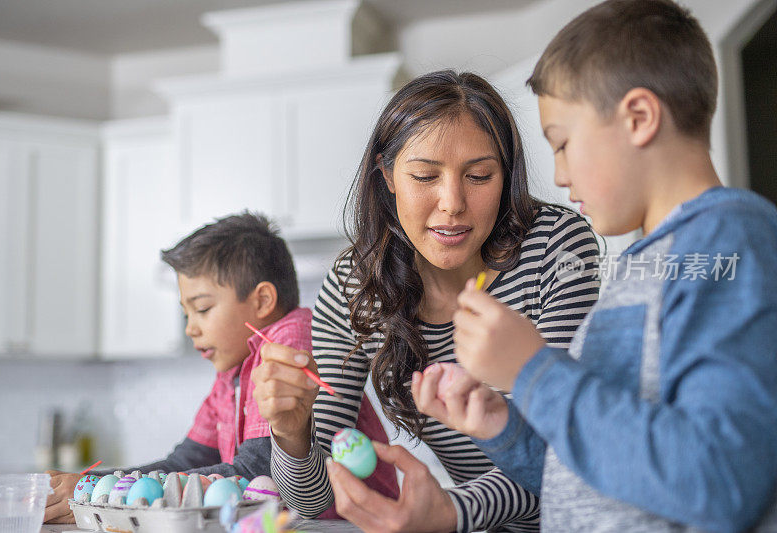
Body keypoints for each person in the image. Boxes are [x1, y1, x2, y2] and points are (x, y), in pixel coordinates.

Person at [414, 1, 777, 531]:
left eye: (562, 144)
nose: (559, 176)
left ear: (638, 118)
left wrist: (532, 371)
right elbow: (603, 479)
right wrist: (501, 428)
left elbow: (719, 481)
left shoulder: (727, 243)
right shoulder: (640, 269)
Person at [252, 70, 601, 532]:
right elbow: (313, 500)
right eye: (424, 176)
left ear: (507, 175)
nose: (452, 202)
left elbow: (562, 457)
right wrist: (290, 433)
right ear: (387, 176)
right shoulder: (356, 285)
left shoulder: (556, 249)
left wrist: (451, 512)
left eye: (479, 176)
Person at [43, 212, 397, 523]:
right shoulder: (229, 376)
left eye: (202, 308)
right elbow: (183, 460)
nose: (190, 328)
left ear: (262, 301)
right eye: (186, 312)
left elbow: (257, 474)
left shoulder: (291, 339)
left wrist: (99, 491)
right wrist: (96, 485)